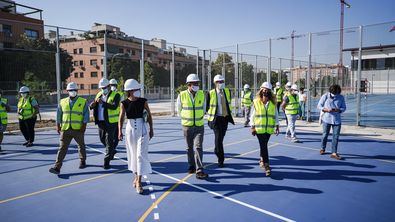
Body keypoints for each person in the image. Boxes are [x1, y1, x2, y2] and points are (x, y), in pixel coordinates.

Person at [118, 79, 153, 194]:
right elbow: (121, 118)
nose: (138, 90)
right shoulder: (124, 103)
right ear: (130, 90)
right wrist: (119, 131)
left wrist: (151, 128)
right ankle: (136, 176)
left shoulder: (143, 101)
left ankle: (139, 181)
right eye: (136, 89)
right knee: (133, 155)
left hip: (142, 129)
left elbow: (149, 115)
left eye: (138, 89)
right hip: (130, 130)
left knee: (140, 155)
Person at [49, 82, 89, 174]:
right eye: (71, 90)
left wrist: (84, 126)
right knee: (62, 148)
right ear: (67, 91)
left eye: (74, 90)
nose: (73, 92)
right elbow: (59, 114)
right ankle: (57, 167)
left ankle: (82, 160)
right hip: (65, 129)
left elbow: (86, 114)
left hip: (78, 129)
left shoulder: (83, 101)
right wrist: (58, 125)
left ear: (77, 91)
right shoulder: (62, 102)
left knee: (81, 146)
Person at [177, 73, 208, 179]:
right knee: (189, 148)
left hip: (199, 126)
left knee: (198, 147)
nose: (196, 85)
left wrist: (199, 118)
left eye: (197, 83)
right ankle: (191, 166)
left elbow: (204, 109)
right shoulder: (182, 95)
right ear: (188, 85)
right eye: (194, 83)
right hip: (187, 126)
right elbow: (179, 110)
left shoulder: (201, 94)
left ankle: (199, 170)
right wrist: (186, 119)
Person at [90, 78, 121, 169]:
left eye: (104, 87)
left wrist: (103, 103)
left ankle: (106, 161)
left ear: (108, 86)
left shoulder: (116, 95)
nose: (103, 89)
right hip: (100, 122)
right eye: (101, 88)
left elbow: (114, 107)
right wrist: (91, 106)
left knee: (109, 141)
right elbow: (95, 105)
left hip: (111, 122)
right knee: (102, 139)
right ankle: (111, 151)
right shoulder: (99, 94)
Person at [250, 82, 279, 176]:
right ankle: (267, 165)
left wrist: (277, 126)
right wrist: (252, 127)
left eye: (267, 90)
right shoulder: (256, 102)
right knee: (264, 146)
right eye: (263, 89)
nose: (265, 91)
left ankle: (262, 159)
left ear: (270, 92)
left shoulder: (273, 103)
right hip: (259, 129)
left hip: (269, 129)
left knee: (264, 145)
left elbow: (276, 115)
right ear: (261, 90)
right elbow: (252, 116)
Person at [207, 74, 235, 167]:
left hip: (225, 118)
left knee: (221, 138)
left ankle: (217, 149)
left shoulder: (227, 91)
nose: (221, 83)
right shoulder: (210, 93)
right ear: (215, 83)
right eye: (219, 82)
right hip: (216, 119)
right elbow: (206, 106)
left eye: (222, 82)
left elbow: (228, 103)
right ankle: (221, 159)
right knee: (218, 139)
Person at [317, 84, 346, 160]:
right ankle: (322, 148)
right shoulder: (325, 96)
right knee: (325, 134)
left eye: (336, 93)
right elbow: (319, 106)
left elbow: (344, 108)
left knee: (335, 137)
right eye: (333, 93)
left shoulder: (341, 97)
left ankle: (334, 153)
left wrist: (339, 110)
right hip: (327, 119)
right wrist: (326, 109)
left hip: (337, 120)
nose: (335, 95)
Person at [109, 78, 122, 151]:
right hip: (108, 119)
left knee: (116, 136)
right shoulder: (107, 94)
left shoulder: (120, 94)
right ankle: (111, 149)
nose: (112, 86)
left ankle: (113, 148)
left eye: (114, 85)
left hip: (118, 118)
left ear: (116, 86)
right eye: (111, 85)